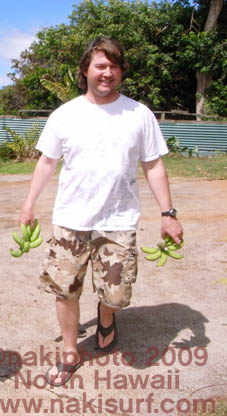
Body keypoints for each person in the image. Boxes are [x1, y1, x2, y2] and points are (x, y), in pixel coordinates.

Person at [19, 37, 183, 387]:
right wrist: (29, 203)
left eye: (114, 66)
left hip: (118, 221)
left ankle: (106, 316)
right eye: (100, 66)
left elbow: (153, 165)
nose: (107, 72)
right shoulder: (65, 115)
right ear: (85, 71)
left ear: (121, 71)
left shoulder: (139, 114)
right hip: (71, 220)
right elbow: (47, 162)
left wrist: (168, 213)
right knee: (65, 289)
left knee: (117, 295)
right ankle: (69, 352)